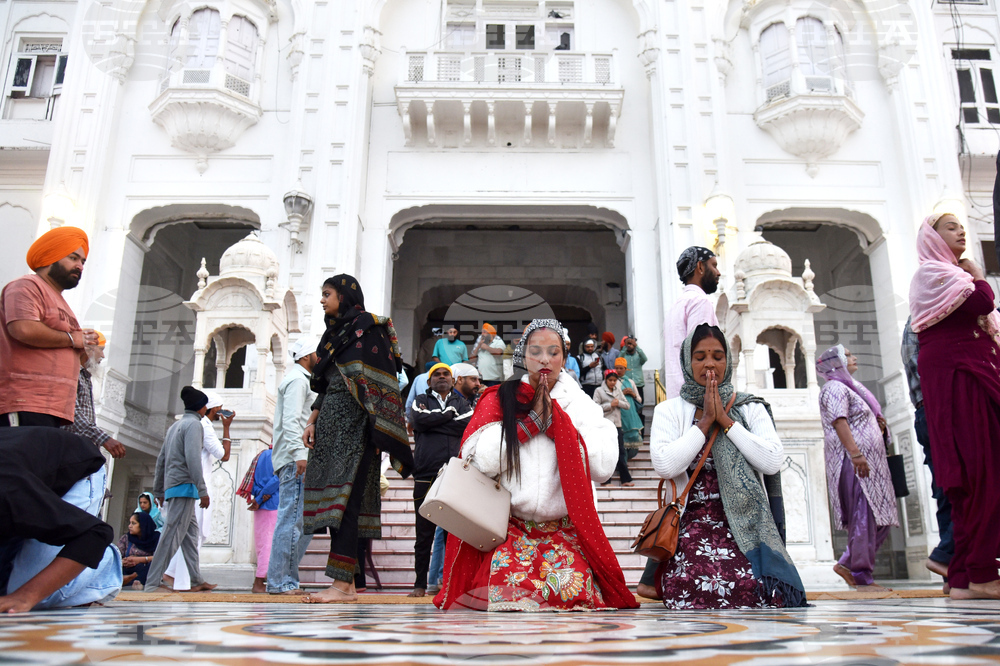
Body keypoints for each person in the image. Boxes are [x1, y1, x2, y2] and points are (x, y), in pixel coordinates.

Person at [434, 319, 638, 612]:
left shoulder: (579, 404)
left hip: (565, 530)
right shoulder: (500, 399)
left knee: (573, 591)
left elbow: (604, 466)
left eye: (553, 352)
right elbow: (479, 459)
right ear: (523, 355)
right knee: (505, 593)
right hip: (508, 530)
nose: (544, 359)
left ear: (564, 358)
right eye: (535, 351)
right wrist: (527, 427)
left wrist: (559, 426)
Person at [650, 324, 806, 609]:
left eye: (717, 356)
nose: (709, 363)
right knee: (692, 583)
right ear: (687, 362)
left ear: (728, 360)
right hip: (691, 520)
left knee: (759, 587)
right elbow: (665, 464)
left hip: (746, 520)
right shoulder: (669, 411)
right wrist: (706, 422)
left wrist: (727, 422)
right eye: (700, 357)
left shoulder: (750, 407)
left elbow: (772, 460)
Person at [301, 274, 413, 603]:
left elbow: (382, 381)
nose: (322, 300)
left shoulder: (370, 328)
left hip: (357, 425)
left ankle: (340, 585)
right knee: (336, 504)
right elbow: (327, 383)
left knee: (348, 504)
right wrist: (312, 420)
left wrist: (380, 428)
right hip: (330, 426)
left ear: (345, 295)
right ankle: (347, 586)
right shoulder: (334, 334)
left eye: (327, 294)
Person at [909, 212, 1000, 600]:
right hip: (963, 380)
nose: (961, 230)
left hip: (964, 375)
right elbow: (983, 298)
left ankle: (963, 575)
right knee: (984, 473)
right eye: (950, 226)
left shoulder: (944, 277)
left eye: (962, 225)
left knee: (974, 479)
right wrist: (978, 273)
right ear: (931, 237)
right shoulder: (933, 274)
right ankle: (980, 572)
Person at [0, 427, 120, 613]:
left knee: (25, 591)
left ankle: (106, 562)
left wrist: (26, 596)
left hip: (79, 470)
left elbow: (95, 533)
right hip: (28, 472)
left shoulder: (11, 494)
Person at [817, 344, 899, 593]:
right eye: (848, 355)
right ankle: (861, 575)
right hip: (854, 463)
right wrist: (855, 454)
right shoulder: (834, 388)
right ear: (835, 362)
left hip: (870, 463)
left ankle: (848, 563)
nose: (854, 358)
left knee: (879, 518)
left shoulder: (851, 388)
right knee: (864, 515)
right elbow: (839, 421)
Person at [1, 227, 100, 428]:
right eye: (73, 258)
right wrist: (73, 339)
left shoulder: (63, 304)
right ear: (50, 257)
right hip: (24, 401)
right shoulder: (26, 286)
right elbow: (23, 329)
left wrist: (87, 350)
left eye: (82, 261)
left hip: (55, 407)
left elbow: (67, 348)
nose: (80, 266)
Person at [143, 386, 217, 593]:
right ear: (202, 408)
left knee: (190, 537)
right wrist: (203, 490)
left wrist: (158, 489)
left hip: (174, 487)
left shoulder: (174, 427)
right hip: (184, 487)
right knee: (170, 536)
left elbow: (161, 460)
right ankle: (152, 582)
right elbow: (193, 459)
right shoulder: (194, 425)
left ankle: (196, 579)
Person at [409, 363, 474, 597]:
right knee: (424, 532)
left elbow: (466, 425)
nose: (442, 377)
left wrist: (434, 423)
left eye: (446, 374)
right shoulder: (420, 399)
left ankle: (449, 585)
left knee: (451, 533)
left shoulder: (462, 403)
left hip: (453, 474)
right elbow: (418, 421)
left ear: (452, 379)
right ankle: (419, 584)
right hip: (425, 473)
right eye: (437, 374)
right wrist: (448, 417)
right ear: (429, 381)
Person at [901, 316, 953, 590]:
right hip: (942, 408)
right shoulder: (927, 317)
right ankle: (947, 556)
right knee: (966, 486)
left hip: (931, 410)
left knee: (948, 491)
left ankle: (954, 573)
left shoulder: (920, 319)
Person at [163, 390, 232, 591]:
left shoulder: (183, 425)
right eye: (219, 408)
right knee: (195, 534)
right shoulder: (204, 427)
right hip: (196, 488)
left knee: (189, 534)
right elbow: (223, 455)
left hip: (184, 486)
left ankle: (178, 576)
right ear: (209, 409)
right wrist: (227, 428)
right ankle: (181, 580)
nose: (221, 413)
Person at [266, 337, 318, 595]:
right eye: (317, 353)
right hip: (296, 460)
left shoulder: (301, 379)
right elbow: (292, 419)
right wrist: (300, 454)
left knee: (304, 522)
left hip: (298, 458)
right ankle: (280, 582)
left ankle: (285, 578)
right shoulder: (298, 380)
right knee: (291, 520)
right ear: (307, 356)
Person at [662, 246, 720, 399]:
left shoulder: (676, 306)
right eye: (714, 265)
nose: (718, 272)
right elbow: (703, 353)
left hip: (677, 396)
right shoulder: (700, 302)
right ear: (700, 267)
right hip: (698, 399)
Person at [63, 332, 126, 459]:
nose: (102, 355)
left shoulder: (84, 377)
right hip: (66, 450)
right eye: (101, 350)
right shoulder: (70, 372)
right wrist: (103, 439)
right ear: (88, 349)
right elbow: (72, 414)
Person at [245, 447, 279, 594]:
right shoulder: (278, 455)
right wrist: (260, 498)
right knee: (268, 544)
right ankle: (259, 582)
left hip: (260, 504)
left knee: (262, 544)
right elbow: (277, 479)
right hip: (272, 503)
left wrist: (258, 498)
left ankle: (262, 580)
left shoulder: (261, 455)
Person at [594, 369, 634, 487]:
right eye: (610, 380)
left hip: (617, 425)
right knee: (606, 452)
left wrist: (618, 403)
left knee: (621, 451)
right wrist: (609, 405)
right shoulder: (599, 391)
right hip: (605, 425)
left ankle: (625, 479)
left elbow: (627, 405)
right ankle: (605, 481)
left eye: (614, 380)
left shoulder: (618, 391)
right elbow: (594, 407)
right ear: (605, 380)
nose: (612, 383)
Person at [118, 512, 159, 589]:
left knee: (152, 566)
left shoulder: (156, 538)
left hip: (144, 570)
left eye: (133, 523)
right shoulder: (126, 538)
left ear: (143, 525)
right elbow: (117, 556)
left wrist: (139, 560)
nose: (129, 526)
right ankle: (128, 581)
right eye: (130, 523)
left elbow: (160, 557)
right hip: (128, 569)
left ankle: (137, 583)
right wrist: (124, 561)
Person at [615, 357, 644, 458]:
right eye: (617, 368)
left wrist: (632, 394)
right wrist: (622, 393)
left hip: (631, 413)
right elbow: (611, 397)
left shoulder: (631, 382)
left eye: (621, 368)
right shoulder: (613, 381)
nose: (618, 370)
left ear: (625, 369)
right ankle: (623, 460)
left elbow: (639, 399)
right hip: (619, 413)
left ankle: (628, 457)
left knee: (633, 436)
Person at [619, 335, 647, 414]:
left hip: (638, 384)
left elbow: (645, 359)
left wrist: (636, 346)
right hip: (627, 385)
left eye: (631, 344)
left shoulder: (638, 356)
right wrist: (624, 347)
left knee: (639, 406)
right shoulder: (624, 357)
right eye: (628, 343)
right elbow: (619, 359)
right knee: (629, 407)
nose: (629, 345)